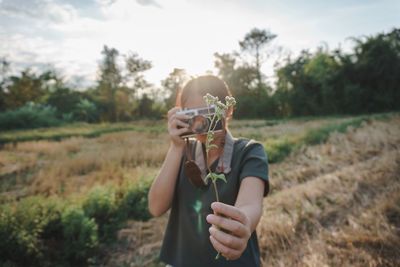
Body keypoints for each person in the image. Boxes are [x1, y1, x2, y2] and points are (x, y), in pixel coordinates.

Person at [148, 75, 269, 267]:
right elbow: (155, 207)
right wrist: (176, 146)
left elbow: (250, 204)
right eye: (191, 113)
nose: (199, 122)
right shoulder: (182, 154)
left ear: (227, 110)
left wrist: (242, 226)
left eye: (206, 111)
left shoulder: (249, 151)